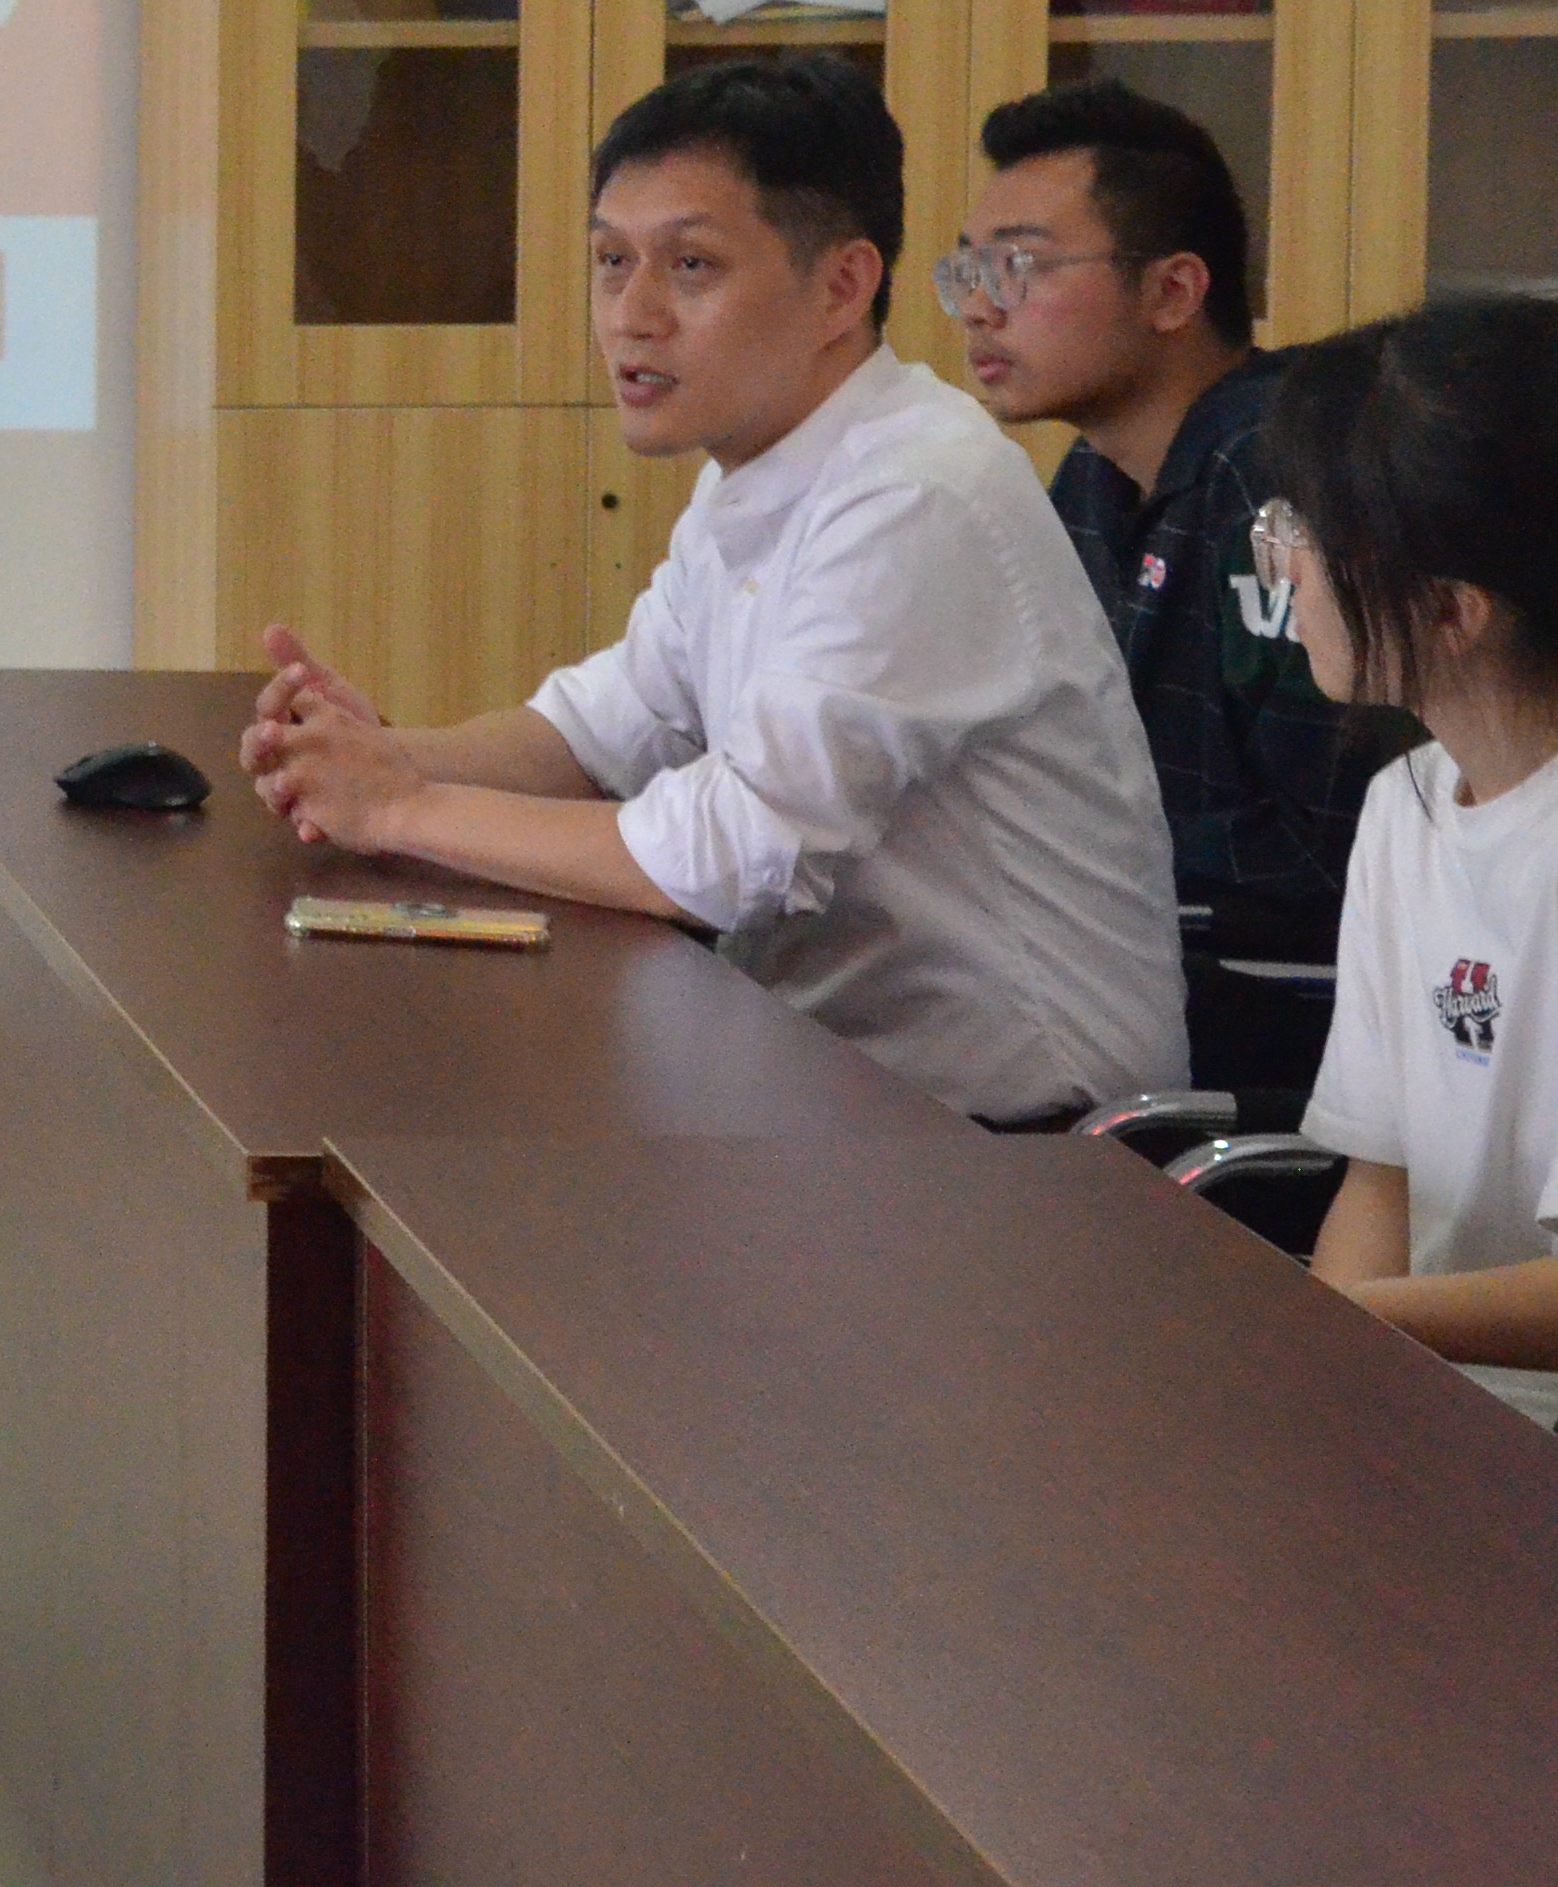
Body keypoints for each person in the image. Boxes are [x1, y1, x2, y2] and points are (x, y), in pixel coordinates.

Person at [244, 56, 1186, 1121]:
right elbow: (605, 730)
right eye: (611, 261)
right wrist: (378, 756)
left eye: (689, 266)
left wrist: (403, 807)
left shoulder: (916, 492)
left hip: (1027, 1146)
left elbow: (735, 853)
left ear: (841, 288)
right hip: (830, 1091)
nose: (631, 314)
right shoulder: (759, 470)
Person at [944, 78, 1401, 1093]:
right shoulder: (1095, 477)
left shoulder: (1273, 475)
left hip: (1286, 1031)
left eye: (1018, 266)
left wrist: (1047, 850)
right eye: (968, 269)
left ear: (1172, 293)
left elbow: (1326, 853)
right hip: (1142, 984)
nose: (977, 306)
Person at [1263, 296, 1558, 1428]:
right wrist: (1330, 1388)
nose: (1283, 571)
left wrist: (1330, 1326)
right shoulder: (1406, 807)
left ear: (1449, 611)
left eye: (1308, 535)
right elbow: (1378, 1177)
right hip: (1439, 1414)